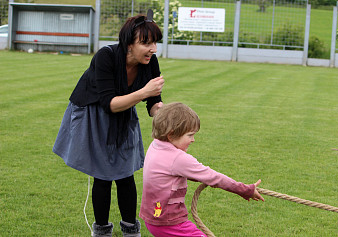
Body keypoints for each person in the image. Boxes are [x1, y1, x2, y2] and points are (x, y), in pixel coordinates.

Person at [52, 9, 164, 237]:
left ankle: (131, 230)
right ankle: (101, 231)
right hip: (94, 114)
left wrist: (168, 116)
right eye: (147, 43)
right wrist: (144, 91)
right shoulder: (106, 56)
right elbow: (109, 103)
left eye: (155, 43)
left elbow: (154, 104)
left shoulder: (150, 62)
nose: (153, 49)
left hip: (124, 114)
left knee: (125, 174)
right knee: (102, 175)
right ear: (129, 43)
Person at [139, 103, 264, 237]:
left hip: (152, 219)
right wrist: (245, 189)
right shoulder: (177, 158)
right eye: (190, 135)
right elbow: (213, 177)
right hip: (170, 223)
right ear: (171, 135)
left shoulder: (155, 146)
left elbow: (170, 172)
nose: (193, 140)